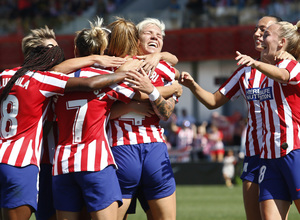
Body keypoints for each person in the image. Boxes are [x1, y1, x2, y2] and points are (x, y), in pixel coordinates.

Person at [0, 25, 140, 220]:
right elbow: (91, 85)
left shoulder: (6, 75)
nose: (58, 55)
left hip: (54, 162)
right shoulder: (46, 79)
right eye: (53, 50)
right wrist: (114, 67)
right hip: (33, 162)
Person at [51, 17, 159, 220]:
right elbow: (143, 96)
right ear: (106, 51)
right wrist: (174, 87)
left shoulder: (58, 81)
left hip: (63, 163)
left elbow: (52, 72)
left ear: (75, 50)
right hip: (96, 162)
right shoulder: (108, 79)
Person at [179, 16, 282, 220]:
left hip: (285, 152)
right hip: (255, 154)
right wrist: (193, 85)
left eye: (263, 29)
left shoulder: (292, 68)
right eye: (255, 29)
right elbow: (213, 101)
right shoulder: (245, 71)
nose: (256, 33)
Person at [106, 17, 178, 220]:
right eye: (149, 32)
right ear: (136, 38)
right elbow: (101, 109)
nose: (155, 36)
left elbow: (166, 113)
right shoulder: (118, 64)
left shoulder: (166, 69)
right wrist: (145, 97)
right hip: (121, 147)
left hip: (154, 148)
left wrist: (154, 92)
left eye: (160, 35)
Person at [235, 20, 300, 220]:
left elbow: (283, 74)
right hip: (269, 156)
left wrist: (256, 62)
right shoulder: (260, 72)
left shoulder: (291, 64)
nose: (260, 37)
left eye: (265, 34)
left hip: (294, 151)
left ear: (281, 42)